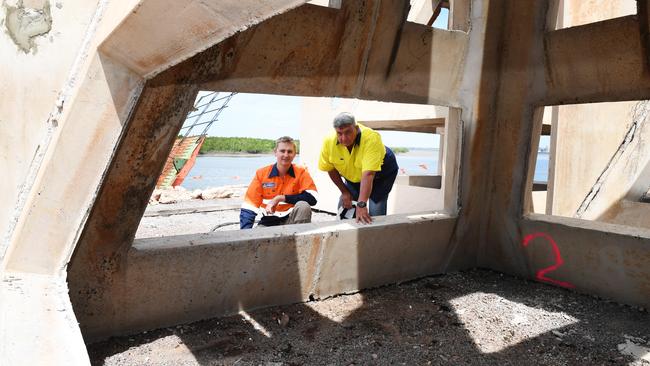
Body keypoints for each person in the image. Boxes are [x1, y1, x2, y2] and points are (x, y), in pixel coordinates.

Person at [318, 112, 398, 224]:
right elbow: (330, 168)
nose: (344, 138)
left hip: (381, 175)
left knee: (375, 212)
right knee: (344, 204)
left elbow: (369, 174)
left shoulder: (371, 138)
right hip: (355, 176)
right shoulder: (329, 141)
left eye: (348, 132)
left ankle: (375, 238)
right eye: (339, 133)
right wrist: (344, 192)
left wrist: (362, 204)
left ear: (356, 128)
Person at [240, 136, 318, 229]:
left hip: (292, 222)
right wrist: (245, 233)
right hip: (269, 222)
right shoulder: (261, 174)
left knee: (303, 206)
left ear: (294, 154)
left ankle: (298, 241)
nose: (286, 155)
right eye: (282, 151)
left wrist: (280, 198)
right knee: (256, 240)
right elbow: (249, 207)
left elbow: (312, 198)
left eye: (289, 151)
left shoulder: (301, 172)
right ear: (275, 152)